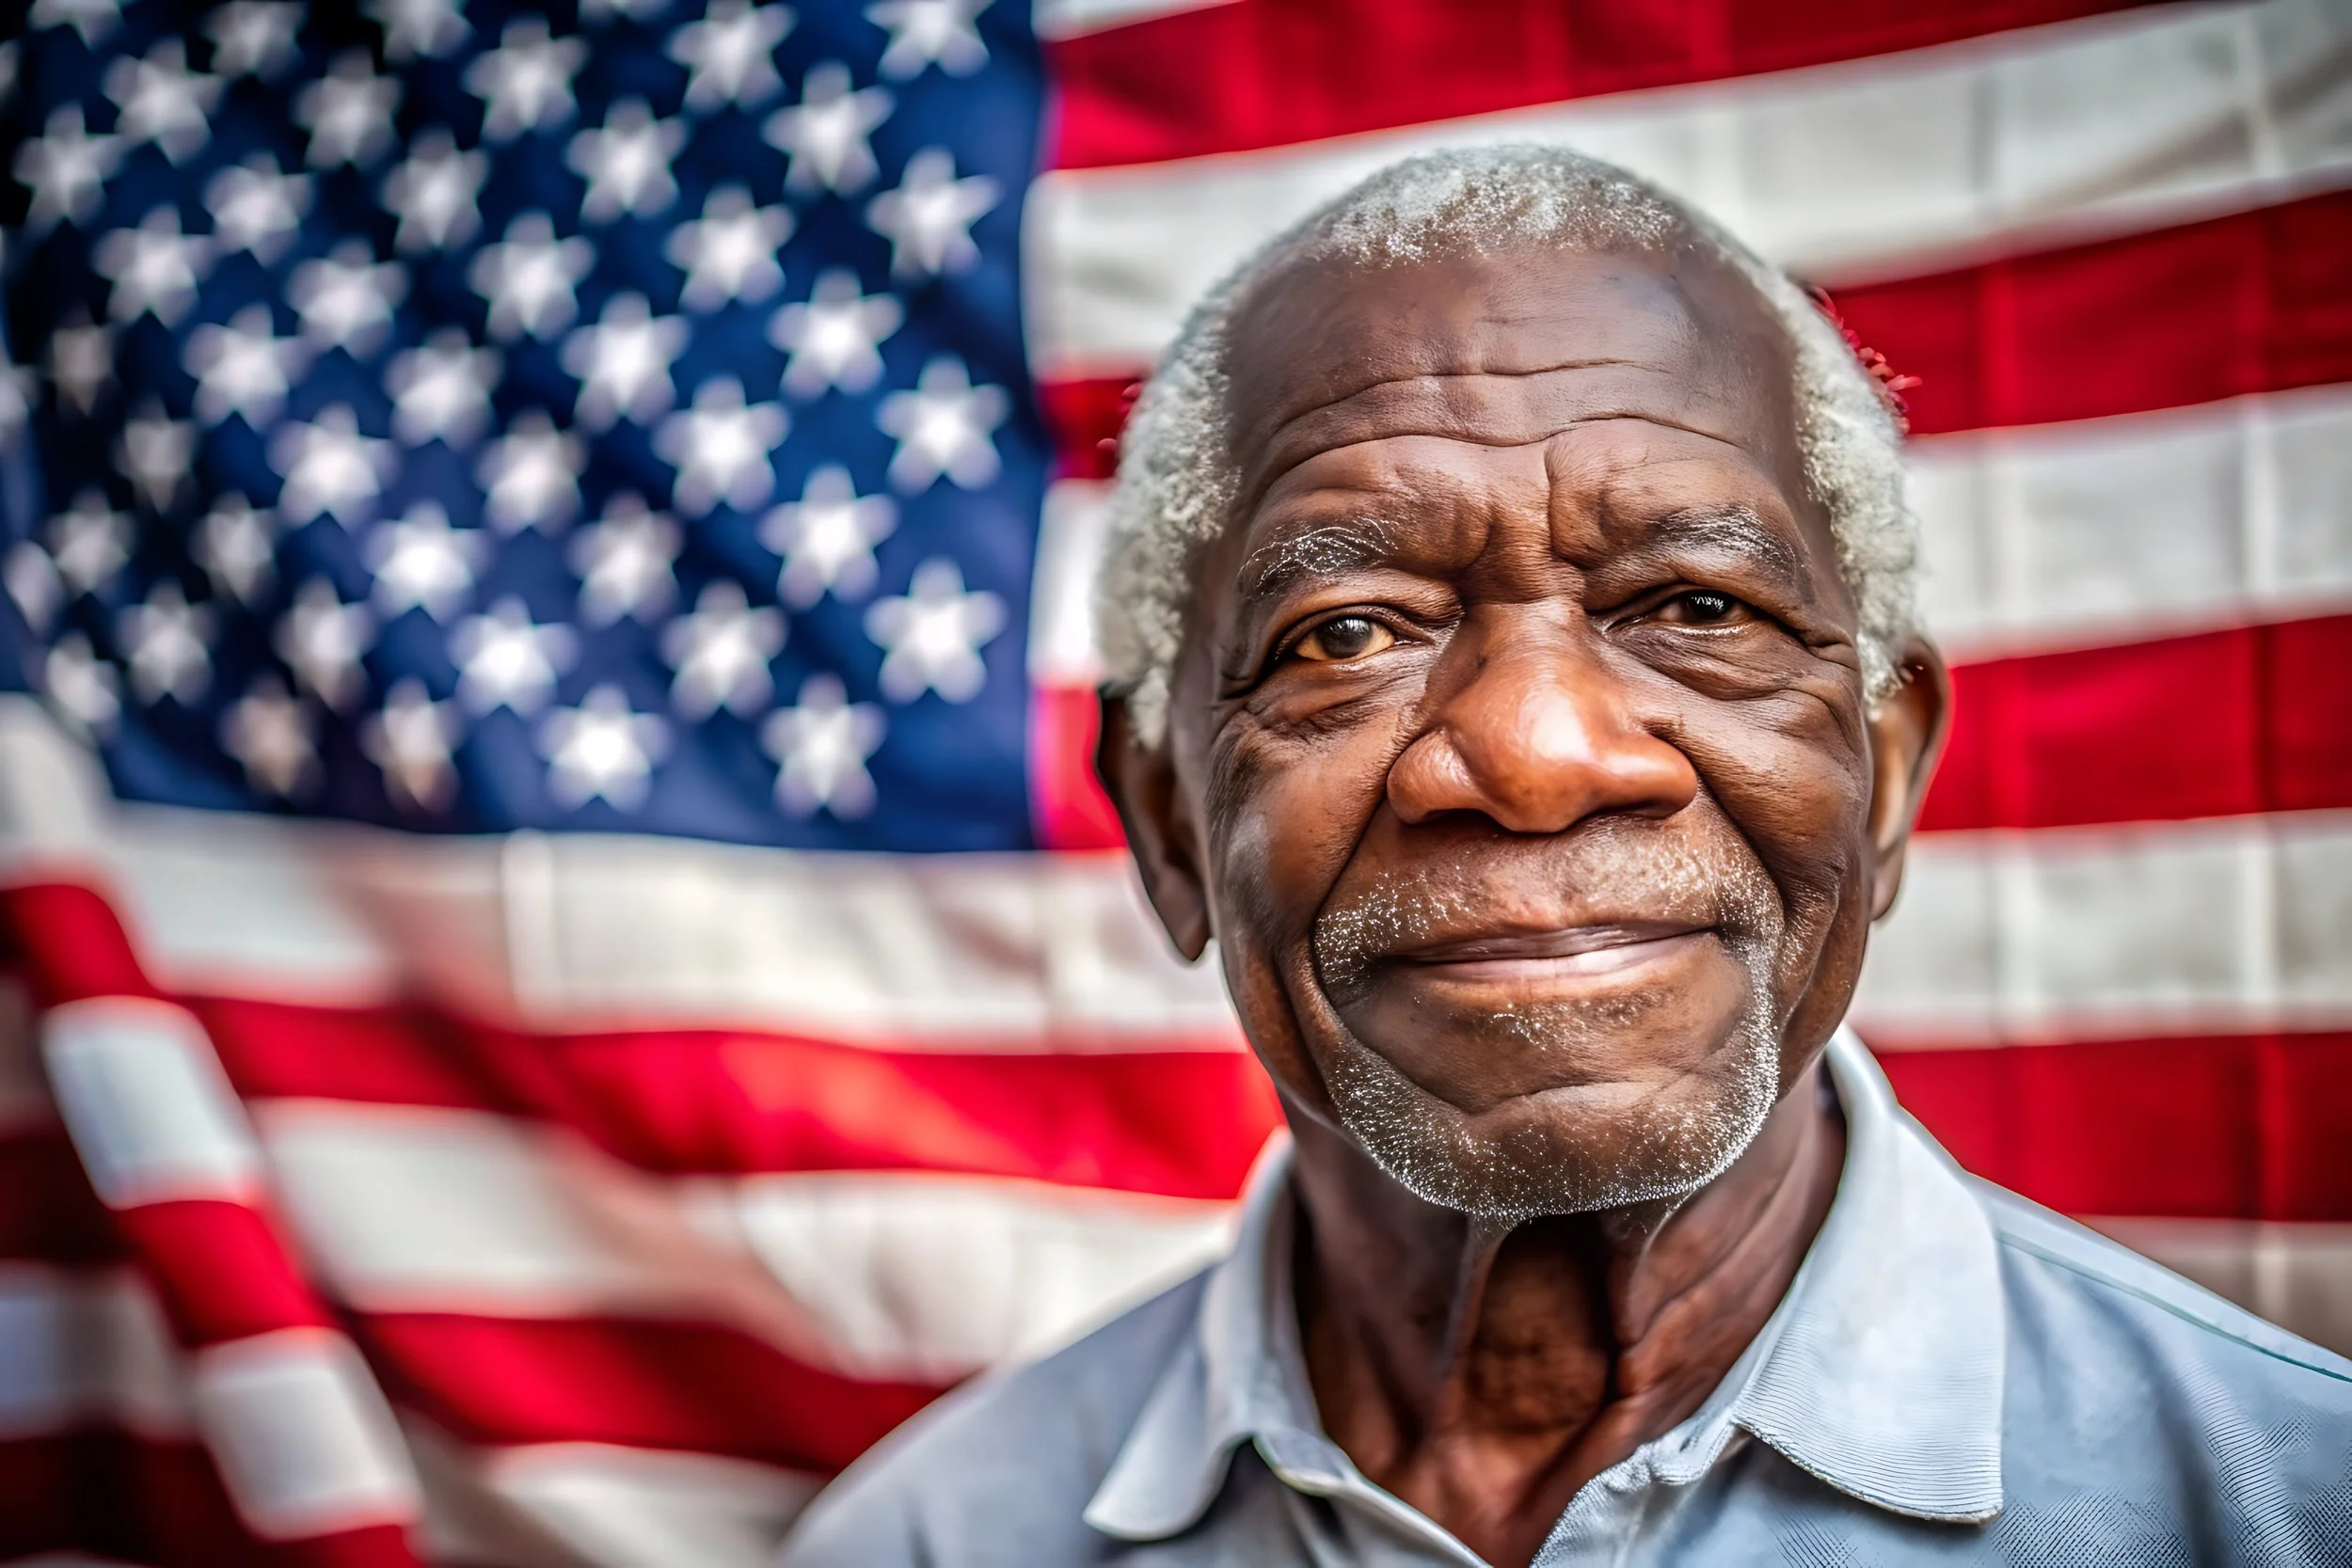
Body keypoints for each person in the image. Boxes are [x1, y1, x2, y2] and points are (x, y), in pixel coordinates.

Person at [778, 145, 2352, 1568]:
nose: (1536, 755)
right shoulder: (935, 1540)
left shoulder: (2282, 1505)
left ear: (1881, 779)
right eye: (1347, 633)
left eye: (1699, 608)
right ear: (1171, 824)